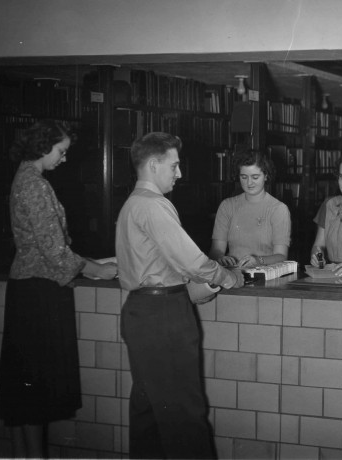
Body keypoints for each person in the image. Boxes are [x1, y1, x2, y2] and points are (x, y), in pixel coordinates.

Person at [115, 132, 245, 459]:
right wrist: (229, 278)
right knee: (185, 414)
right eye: (174, 165)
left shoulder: (132, 204)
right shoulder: (155, 205)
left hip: (140, 311)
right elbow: (192, 261)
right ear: (154, 164)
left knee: (149, 415)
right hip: (164, 315)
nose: (179, 173)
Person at [0, 120, 117, 458]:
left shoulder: (24, 179)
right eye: (61, 151)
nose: (64, 159)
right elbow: (55, 251)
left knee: (22, 396)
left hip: (28, 290)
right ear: (42, 146)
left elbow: (48, 247)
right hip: (39, 294)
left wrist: (87, 263)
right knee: (34, 394)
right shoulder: (35, 185)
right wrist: (98, 270)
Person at [208, 149, 291, 268]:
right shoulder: (227, 206)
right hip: (232, 274)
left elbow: (282, 256)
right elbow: (216, 250)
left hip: (266, 276)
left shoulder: (278, 209)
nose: (249, 183)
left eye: (255, 177)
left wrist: (258, 260)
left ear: (266, 176)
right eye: (244, 177)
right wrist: (221, 258)